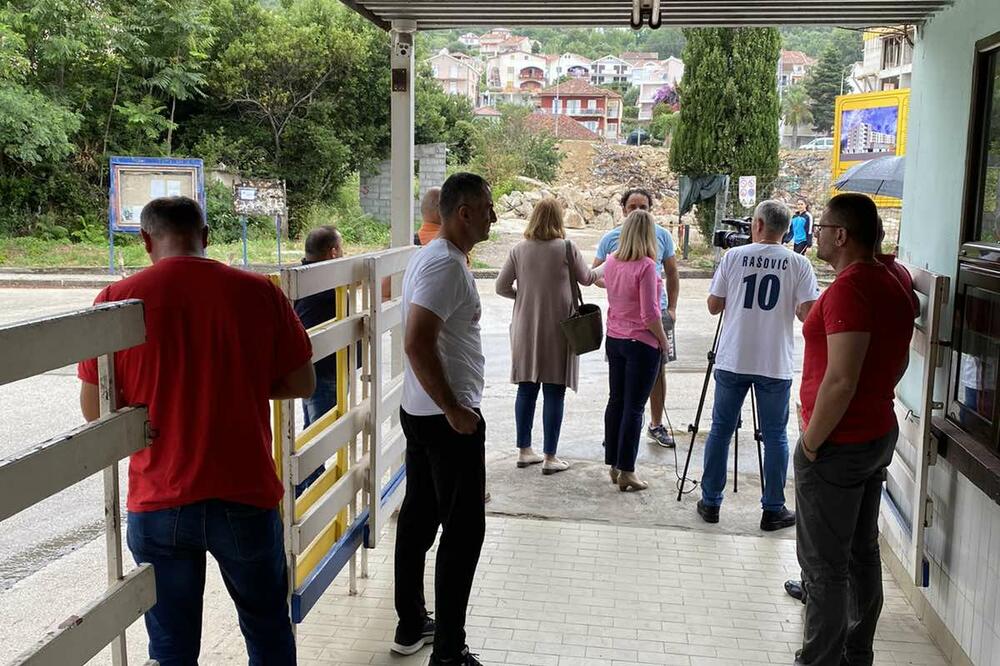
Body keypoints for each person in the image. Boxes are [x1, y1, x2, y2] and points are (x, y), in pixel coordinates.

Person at [78, 196, 314, 665]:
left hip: (158, 497)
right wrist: (238, 384)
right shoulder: (258, 291)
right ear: (205, 237)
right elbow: (301, 381)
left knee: (171, 646)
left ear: (146, 240)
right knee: (267, 628)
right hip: (244, 494)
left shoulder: (115, 299)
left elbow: (94, 410)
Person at [793, 193, 915, 666]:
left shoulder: (850, 289)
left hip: (838, 445)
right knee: (862, 550)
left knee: (824, 567)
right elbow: (899, 355)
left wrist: (810, 444)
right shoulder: (895, 277)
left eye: (822, 227)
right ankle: (856, 652)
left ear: (840, 235)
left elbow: (840, 381)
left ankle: (820, 659)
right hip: (875, 433)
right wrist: (878, 393)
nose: (817, 233)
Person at [393, 173, 495, 666]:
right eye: (488, 207)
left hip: (425, 413)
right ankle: (449, 652)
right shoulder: (445, 268)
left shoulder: (436, 258)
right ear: (464, 213)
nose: (495, 216)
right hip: (444, 420)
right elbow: (416, 342)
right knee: (463, 531)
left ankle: (412, 624)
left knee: (419, 518)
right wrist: (455, 409)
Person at [696, 200, 819, 531]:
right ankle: (773, 508)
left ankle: (710, 502)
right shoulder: (799, 264)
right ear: (785, 229)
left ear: (759, 224)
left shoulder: (733, 257)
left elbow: (712, 306)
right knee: (776, 435)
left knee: (721, 430)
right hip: (774, 361)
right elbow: (809, 315)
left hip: (733, 357)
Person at [496, 198, 599, 475]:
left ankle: (524, 450)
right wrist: (610, 265)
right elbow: (588, 278)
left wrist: (524, 297)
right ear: (558, 219)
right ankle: (550, 457)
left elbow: (501, 286)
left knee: (526, 387)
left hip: (525, 328)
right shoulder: (566, 248)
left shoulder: (518, 249)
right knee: (554, 390)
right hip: (559, 328)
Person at [594, 188, 680, 447]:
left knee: (657, 373)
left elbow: (673, 274)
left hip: (657, 313)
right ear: (623, 209)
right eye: (633, 206)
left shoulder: (662, 236)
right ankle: (619, 432)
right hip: (625, 320)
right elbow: (597, 274)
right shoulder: (611, 239)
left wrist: (673, 308)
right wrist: (623, 287)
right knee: (620, 385)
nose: (638, 211)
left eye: (643, 206)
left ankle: (654, 424)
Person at [603, 210, 671, 491]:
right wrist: (663, 341)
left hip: (615, 338)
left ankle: (614, 464)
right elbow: (649, 313)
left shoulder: (611, 261)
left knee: (616, 401)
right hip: (642, 344)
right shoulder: (646, 266)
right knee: (634, 407)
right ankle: (628, 469)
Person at [293, 225, 343, 496]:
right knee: (319, 435)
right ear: (333, 252)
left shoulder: (302, 276)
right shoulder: (325, 284)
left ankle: (302, 487)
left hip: (310, 371)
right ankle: (309, 489)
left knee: (312, 430)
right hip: (325, 372)